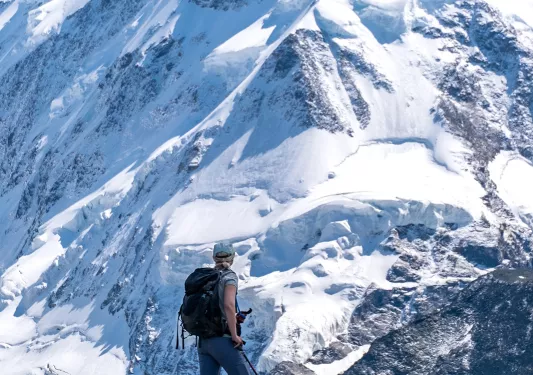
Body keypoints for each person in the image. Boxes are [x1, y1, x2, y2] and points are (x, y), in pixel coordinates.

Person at [198, 242, 251, 375]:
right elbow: (228, 305)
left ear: (214, 258)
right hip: (223, 339)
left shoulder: (205, 278)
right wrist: (234, 335)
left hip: (204, 342)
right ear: (232, 258)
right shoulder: (229, 277)